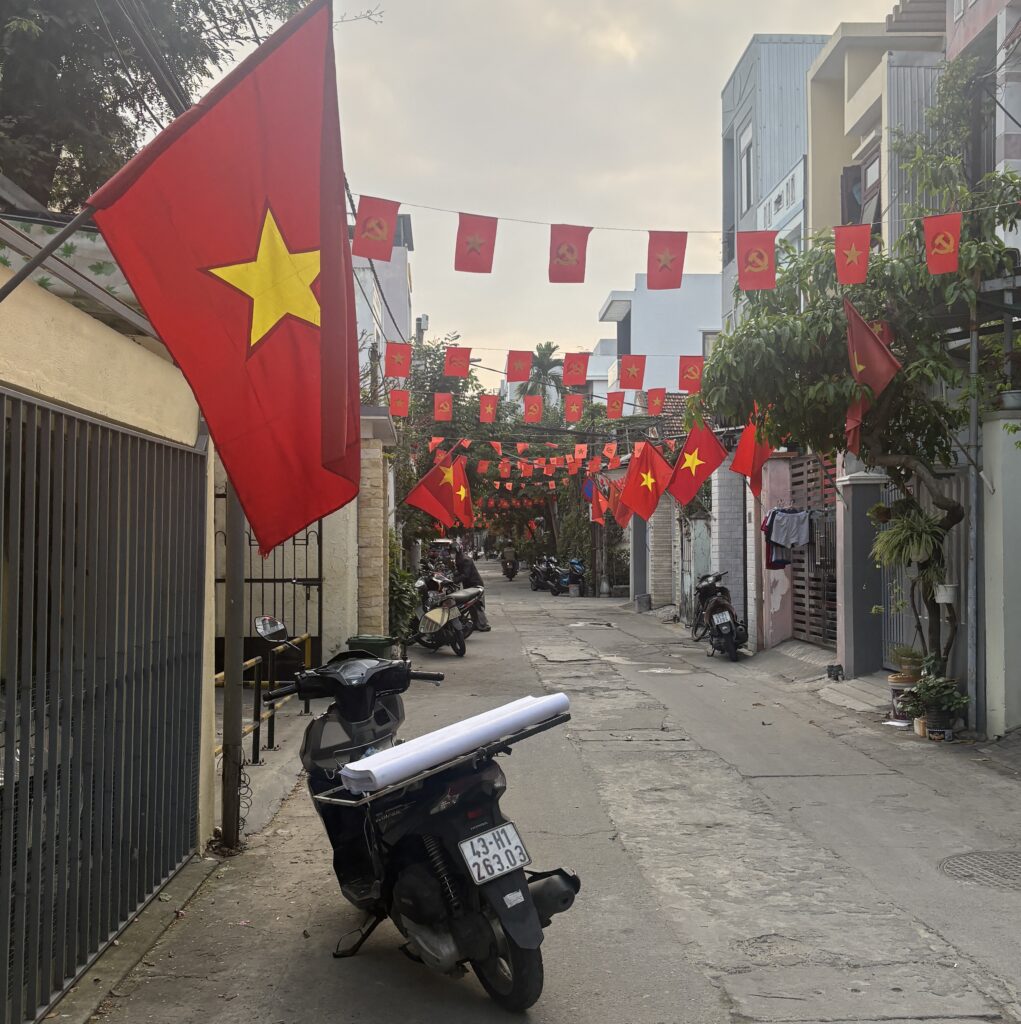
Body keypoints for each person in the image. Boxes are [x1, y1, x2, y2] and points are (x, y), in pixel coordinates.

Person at [453, 550, 491, 631]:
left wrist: (454, 580)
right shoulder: (460, 559)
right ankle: (476, 624)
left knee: (477, 605)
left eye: (453, 552)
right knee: (471, 606)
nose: (452, 554)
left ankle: (484, 625)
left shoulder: (466, 560)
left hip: (475, 584)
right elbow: (460, 572)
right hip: (469, 585)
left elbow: (465, 575)